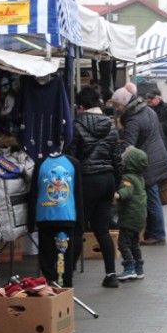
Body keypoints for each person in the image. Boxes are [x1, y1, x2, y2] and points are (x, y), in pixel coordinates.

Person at [65, 86, 123, 288]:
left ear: (80, 106)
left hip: (86, 180)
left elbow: (70, 157)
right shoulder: (111, 125)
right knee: (103, 230)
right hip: (106, 180)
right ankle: (111, 275)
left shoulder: (76, 125)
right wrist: (116, 185)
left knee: (77, 229)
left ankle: (67, 278)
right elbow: (117, 160)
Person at [111, 82, 167, 246]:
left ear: (123, 103)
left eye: (117, 105)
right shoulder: (147, 110)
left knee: (152, 199)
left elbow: (128, 147)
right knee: (153, 197)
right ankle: (153, 231)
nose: (116, 108)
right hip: (158, 156)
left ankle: (158, 234)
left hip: (149, 162)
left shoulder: (133, 119)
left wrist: (118, 162)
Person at [114, 146, 148, 281]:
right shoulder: (140, 177)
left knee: (123, 243)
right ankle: (139, 268)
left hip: (129, 217)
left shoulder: (127, 178)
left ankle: (129, 269)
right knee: (134, 243)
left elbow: (127, 190)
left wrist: (118, 195)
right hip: (139, 217)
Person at [146, 89, 167, 162]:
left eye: (151, 98)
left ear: (158, 98)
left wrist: (156, 126)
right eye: (148, 98)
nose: (149, 100)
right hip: (152, 145)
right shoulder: (147, 109)